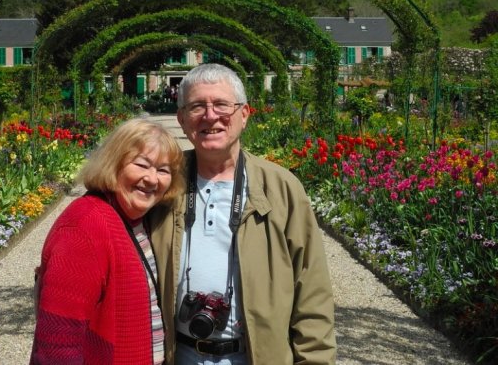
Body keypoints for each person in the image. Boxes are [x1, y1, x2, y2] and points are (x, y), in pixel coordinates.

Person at [148, 63, 336, 364]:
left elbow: (311, 291)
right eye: (197, 106)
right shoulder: (161, 182)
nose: (211, 116)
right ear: (182, 119)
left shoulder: (281, 187)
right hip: (177, 355)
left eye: (222, 104)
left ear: (244, 114)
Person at [30, 118, 185, 365]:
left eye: (163, 170)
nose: (152, 179)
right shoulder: (85, 225)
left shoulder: (137, 219)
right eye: (142, 165)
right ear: (114, 163)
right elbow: (57, 345)